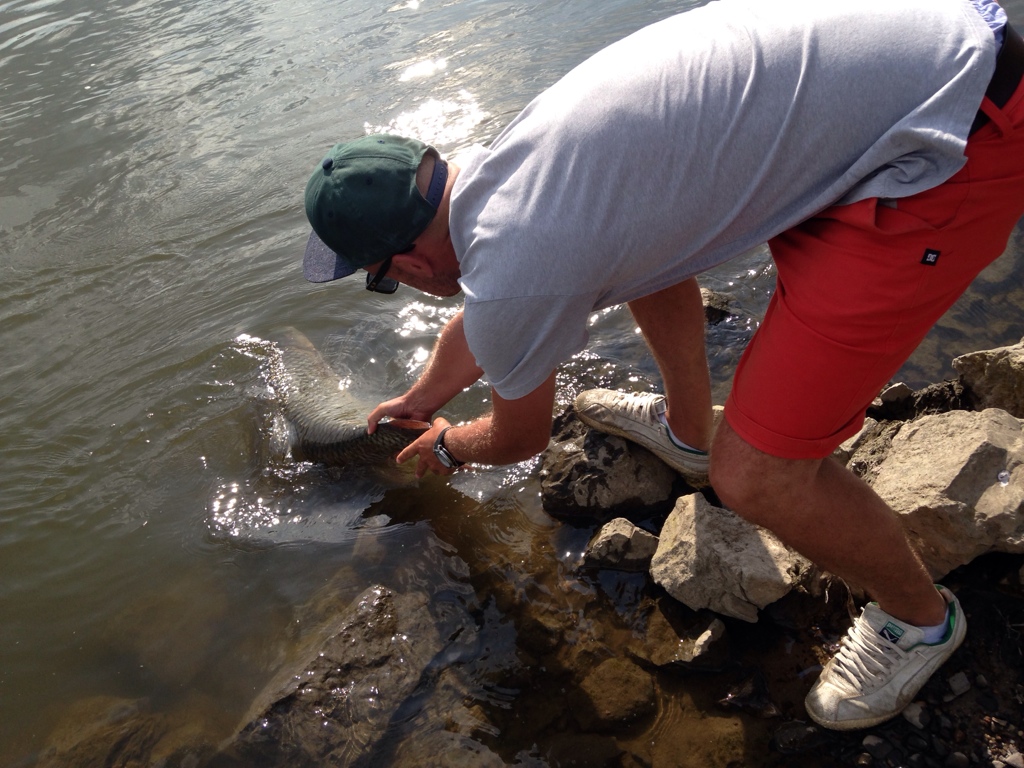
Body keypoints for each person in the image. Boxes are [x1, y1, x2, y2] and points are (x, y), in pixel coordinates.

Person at [299, 0, 1024, 730]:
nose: (398, 287)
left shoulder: (516, 261)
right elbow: (527, 296)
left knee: (754, 475)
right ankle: (687, 433)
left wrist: (449, 445)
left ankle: (921, 621)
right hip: (935, 38)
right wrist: (424, 394)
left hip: (950, 139)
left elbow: (520, 435)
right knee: (645, 257)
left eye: (382, 279)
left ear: (408, 263)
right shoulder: (512, 166)